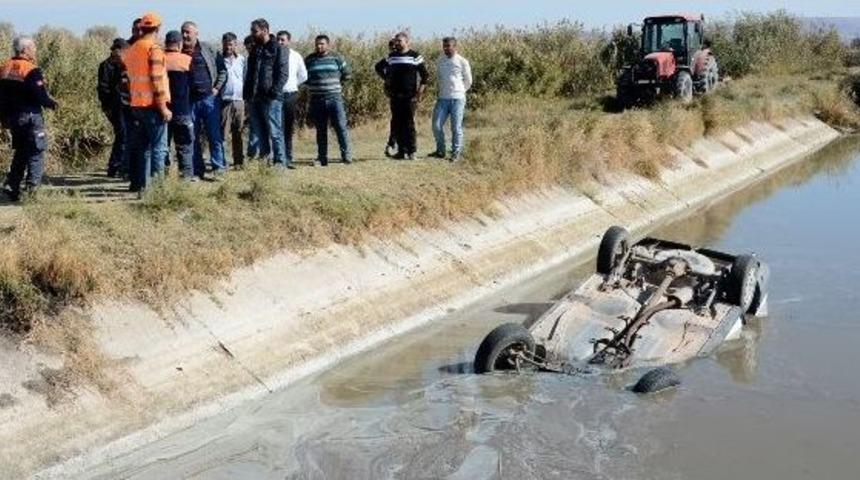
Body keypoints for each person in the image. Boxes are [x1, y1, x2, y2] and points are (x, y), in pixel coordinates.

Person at [0, 36, 58, 201]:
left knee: (21, 152)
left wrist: (3, 118)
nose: (35, 51)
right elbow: (39, 95)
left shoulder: (4, 67)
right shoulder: (31, 69)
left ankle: (12, 186)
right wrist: (52, 104)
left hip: (13, 119)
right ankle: (32, 190)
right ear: (25, 50)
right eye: (33, 48)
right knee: (36, 152)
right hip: (30, 117)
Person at [122, 12, 171, 193]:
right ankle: (157, 191)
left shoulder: (132, 49)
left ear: (141, 28)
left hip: (136, 105)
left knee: (143, 148)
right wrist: (163, 107)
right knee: (159, 148)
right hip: (153, 106)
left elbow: (128, 80)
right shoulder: (154, 49)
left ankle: (143, 188)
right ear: (158, 29)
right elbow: (157, 80)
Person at [181, 21, 227, 179]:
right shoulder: (179, 52)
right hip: (189, 102)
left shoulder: (209, 49)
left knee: (214, 135)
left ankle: (218, 169)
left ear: (196, 33)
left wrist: (216, 89)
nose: (185, 35)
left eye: (188, 32)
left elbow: (222, 71)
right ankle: (197, 171)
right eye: (183, 32)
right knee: (192, 137)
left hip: (210, 100)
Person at [375, 32, 429, 160]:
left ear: (407, 42)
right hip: (394, 95)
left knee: (409, 124)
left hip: (410, 96)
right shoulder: (392, 57)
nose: (397, 43)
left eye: (399, 41)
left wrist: (419, 93)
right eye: (396, 41)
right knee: (397, 123)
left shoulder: (415, 56)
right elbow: (378, 67)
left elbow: (425, 76)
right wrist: (386, 79)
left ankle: (412, 151)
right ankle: (401, 151)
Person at [243, 18, 289, 168]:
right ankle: (264, 160)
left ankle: (279, 161)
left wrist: (273, 92)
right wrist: (247, 94)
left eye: (254, 31)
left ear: (265, 30)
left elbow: (282, 74)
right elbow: (250, 73)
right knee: (260, 131)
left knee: (275, 131)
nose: (252, 34)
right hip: (254, 97)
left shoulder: (278, 48)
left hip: (271, 98)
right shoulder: (255, 49)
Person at [304, 34, 352, 166]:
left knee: (341, 127)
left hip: (335, 98)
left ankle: (346, 155)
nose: (319, 46)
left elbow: (347, 74)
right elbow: (303, 76)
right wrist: (313, 85)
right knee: (321, 130)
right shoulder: (309, 60)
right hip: (317, 99)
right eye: (317, 44)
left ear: (328, 45)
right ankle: (322, 158)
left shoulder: (337, 57)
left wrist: (336, 85)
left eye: (322, 44)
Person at [430, 37, 472, 162]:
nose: (446, 48)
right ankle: (440, 151)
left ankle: (456, 152)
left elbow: (469, 81)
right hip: (442, 98)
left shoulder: (462, 61)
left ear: (455, 47)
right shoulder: (440, 60)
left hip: (457, 99)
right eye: (444, 46)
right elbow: (439, 77)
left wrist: (459, 91)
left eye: (448, 46)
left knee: (456, 127)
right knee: (436, 125)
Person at [164, 30, 195, 181]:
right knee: (184, 145)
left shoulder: (159, 60)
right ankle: (186, 176)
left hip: (162, 110)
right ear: (179, 44)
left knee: (164, 146)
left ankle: (163, 176)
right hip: (183, 109)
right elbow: (194, 85)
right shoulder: (187, 60)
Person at [97, 38, 130, 177]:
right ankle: (115, 166)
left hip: (124, 105)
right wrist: (107, 107)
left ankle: (120, 166)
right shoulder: (106, 65)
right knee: (122, 135)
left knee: (124, 135)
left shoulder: (124, 64)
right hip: (114, 106)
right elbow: (103, 89)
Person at [277, 30, 308, 168]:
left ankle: (288, 158)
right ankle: (278, 158)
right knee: (276, 127)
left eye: (283, 40)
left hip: (290, 95)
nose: (280, 42)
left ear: (289, 41)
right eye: (278, 39)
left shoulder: (295, 56)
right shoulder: (273, 55)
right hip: (276, 96)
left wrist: (293, 84)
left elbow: (303, 75)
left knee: (288, 127)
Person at [219, 32, 246, 168]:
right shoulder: (218, 59)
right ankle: (222, 161)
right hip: (225, 101)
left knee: (238, 132)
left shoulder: (242, 60)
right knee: (223, 133)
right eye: (225, 44)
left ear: (235, 44)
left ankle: (238, 162)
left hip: (239, 101)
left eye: (230, 44)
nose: (228, 47)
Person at [375, 38, 398, 158]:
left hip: (407, 92)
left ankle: (397, 144)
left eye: (396, 47)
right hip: (393, 92)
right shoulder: (389, 59)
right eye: (392, 47)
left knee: (405, 120)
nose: (394, 49)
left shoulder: (405, 57)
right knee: (396, 119)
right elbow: (378, 67)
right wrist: (386, 79)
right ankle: (392, 144)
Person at [243, 34, 261, 160]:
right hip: (251, 98)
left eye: (251, 46)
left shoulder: (262, 58)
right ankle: (251, 154)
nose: (249, 49)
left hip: (263, 97)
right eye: (247, 47)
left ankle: (264, 155)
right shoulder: (248, 60)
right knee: (254, 127)